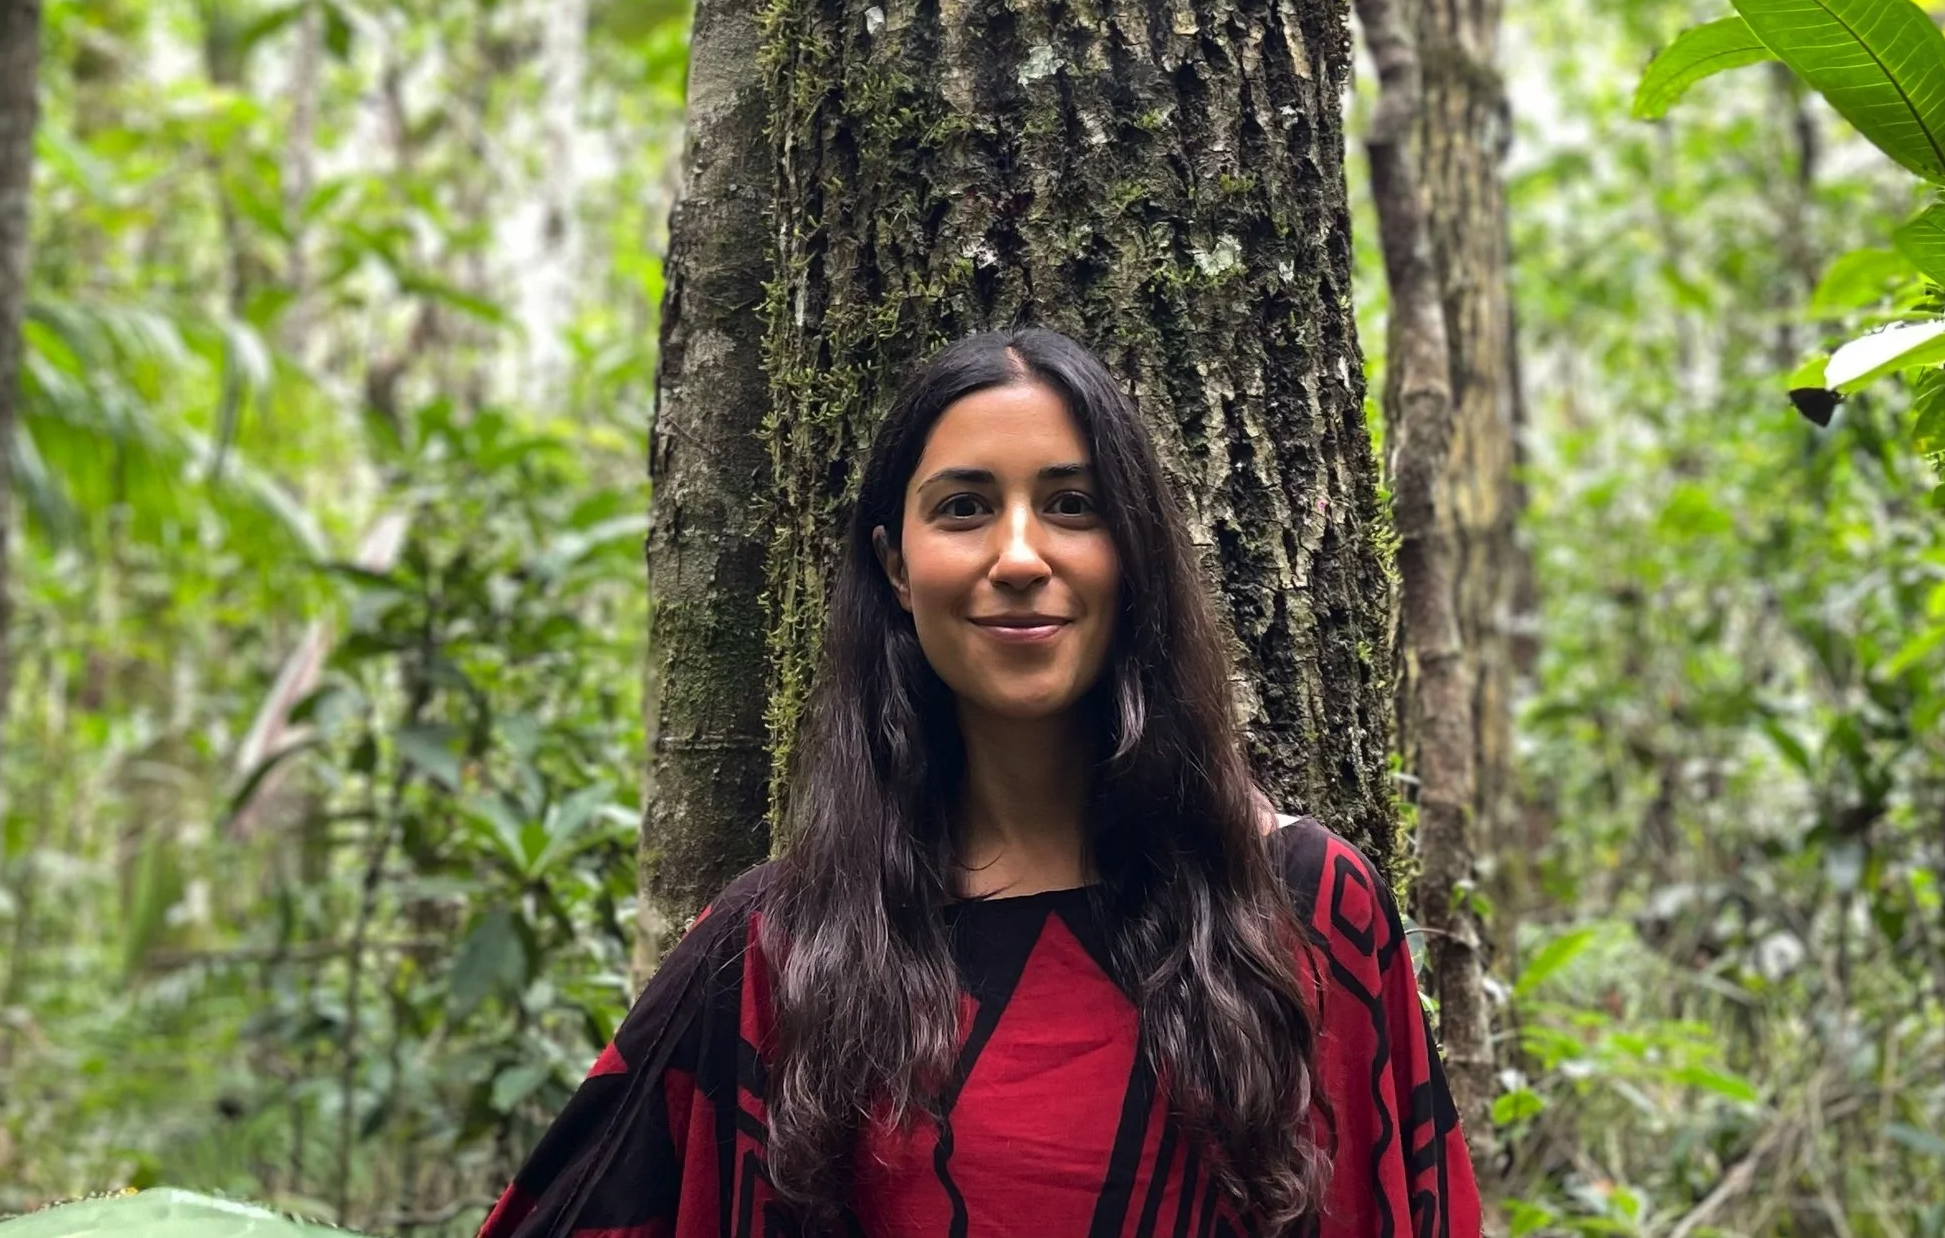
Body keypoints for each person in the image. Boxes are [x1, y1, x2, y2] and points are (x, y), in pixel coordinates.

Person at [481, 325, 1485, 1238]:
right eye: (964, 507)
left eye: (1071, 505)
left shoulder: (1307, 911)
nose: (1017, 554)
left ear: (1132, 558)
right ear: (894, 565)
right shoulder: (778, 950)